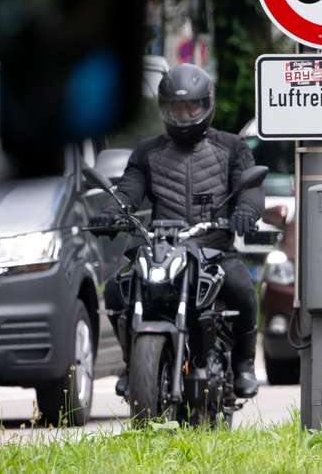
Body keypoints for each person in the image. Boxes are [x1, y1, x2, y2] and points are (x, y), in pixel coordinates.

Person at [96, 63, 264, 398]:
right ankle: (134, 365)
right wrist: (112, 212)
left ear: (206, 106)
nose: (184, 114)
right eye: (177, 107)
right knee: (116, 291)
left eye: (191, 107)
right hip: (162, 246)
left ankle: (244, 365)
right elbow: (129, 189)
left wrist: (246, 211)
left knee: (243, 289)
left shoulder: (231, 147)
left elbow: (250, 189)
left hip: (214, 248)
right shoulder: (148, 152)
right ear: (165, 108)